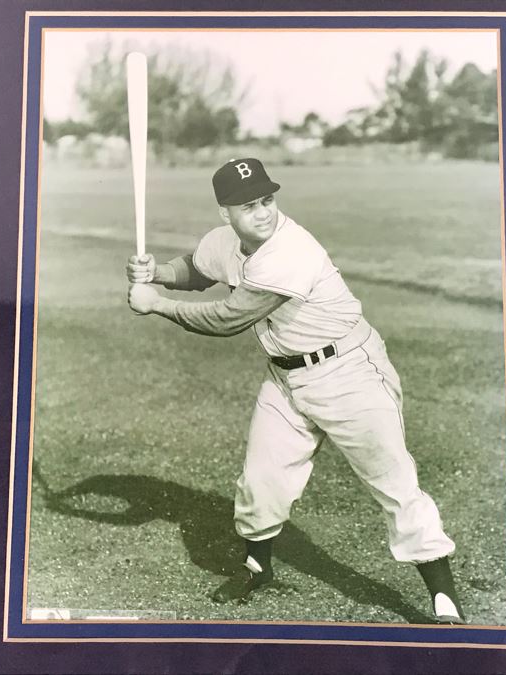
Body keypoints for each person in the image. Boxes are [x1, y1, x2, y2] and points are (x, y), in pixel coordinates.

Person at [125, 158, 464, 623]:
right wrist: (159, 271)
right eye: (249, 206)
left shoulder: (291, 249)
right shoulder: (223, 240)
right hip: (285, 377)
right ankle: (256, 568)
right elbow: (200, 268)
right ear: (226, 213)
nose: (263, 212)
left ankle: (444, 597)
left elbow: (228, 319)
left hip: (349, 372)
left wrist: (156, 304)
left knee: (393, 481)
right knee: (261, 477)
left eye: (267, 199)